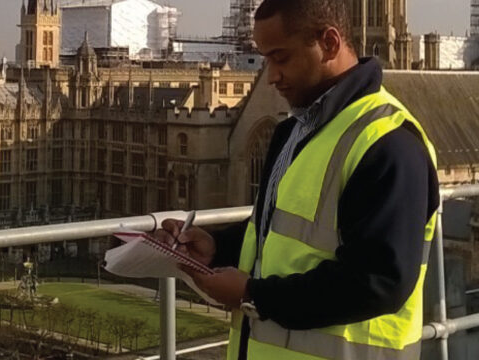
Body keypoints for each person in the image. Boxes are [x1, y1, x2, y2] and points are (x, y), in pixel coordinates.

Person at [155, 0, 440, 359]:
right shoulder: (293, 130)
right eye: (265, 60)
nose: (272, 76)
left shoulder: (388, 142)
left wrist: (254, 295)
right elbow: (278, 232)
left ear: (330, 43)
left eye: (281, 58)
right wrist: (216, 245)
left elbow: (379, 281)